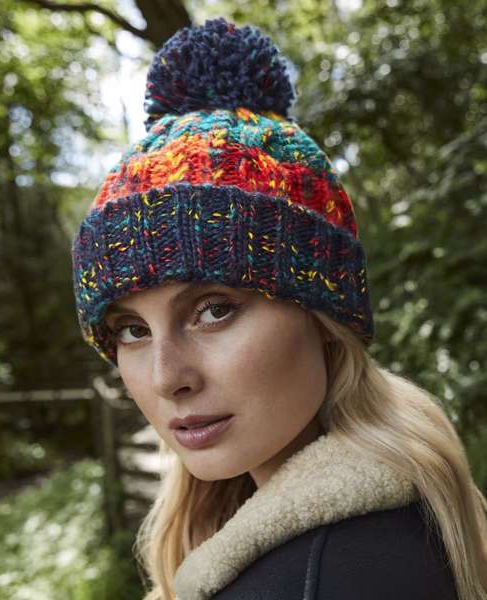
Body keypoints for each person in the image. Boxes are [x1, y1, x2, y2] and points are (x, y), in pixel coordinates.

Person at [71, 17, 487, 600]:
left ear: (324, 318)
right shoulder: (398, 526)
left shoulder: (330, 577)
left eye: (213, 310)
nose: (167, 378)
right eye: (132, 330)